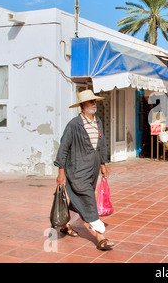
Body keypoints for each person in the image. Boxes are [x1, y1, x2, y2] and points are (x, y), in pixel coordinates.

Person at [54, 90, 114, 251]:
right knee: (88, 199)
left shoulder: (98, 122)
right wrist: (61, 172)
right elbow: (64, 147)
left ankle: (64, 224)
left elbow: (102, 145)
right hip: (77, 170)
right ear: (82, 105)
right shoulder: (74, 124)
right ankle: (100, 237)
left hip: (92, 169)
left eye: (95, 101)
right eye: (90, 102)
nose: (94, 104)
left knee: (78, 199)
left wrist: (103, 165)